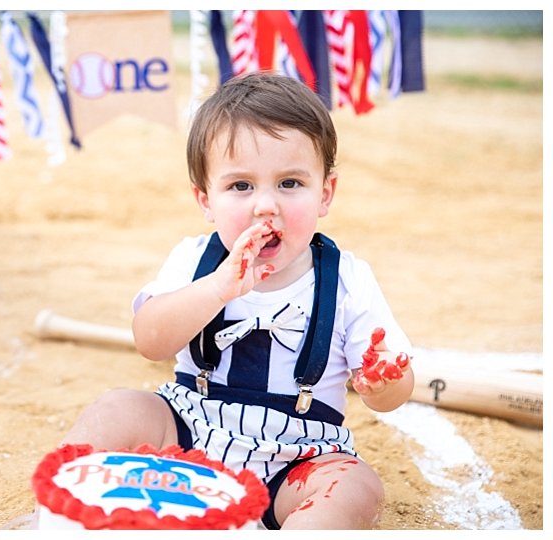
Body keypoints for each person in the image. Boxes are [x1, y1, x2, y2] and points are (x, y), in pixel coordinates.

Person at [60, 72, 414, 530]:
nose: (265, 205)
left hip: (297, 459)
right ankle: (56, 516)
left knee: (355, 486)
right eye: (240, 187)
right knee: (119, 408)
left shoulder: (348, 278)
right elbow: (150, 341)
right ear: (205, 200)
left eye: (290, 183)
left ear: (324, 193)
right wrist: (218, 287)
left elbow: (394, 395)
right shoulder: (195, 259)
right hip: (186, 436)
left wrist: (382, 379)